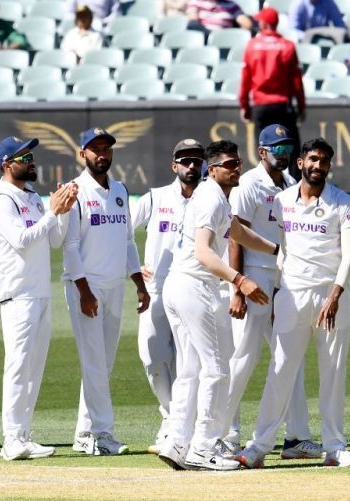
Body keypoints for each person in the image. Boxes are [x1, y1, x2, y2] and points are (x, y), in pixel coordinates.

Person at [236, 138, 350, 469]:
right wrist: (280, 290)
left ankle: (335, 446)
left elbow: (349, 254)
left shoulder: (343, 203)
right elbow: (283, 248)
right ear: (300, 163)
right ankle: (258, 446)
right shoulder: (281, 202)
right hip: (293, 295)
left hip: (330, 296)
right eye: (312, 159)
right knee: (280, 370)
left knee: (332, 372)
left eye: (324, 160)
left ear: (329, 166)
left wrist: (335, 294)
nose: (318, 165)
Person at [158, 140, 278, 471]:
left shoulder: (216, 198)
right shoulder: (212, 198)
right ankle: (204, 448)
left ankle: (177, 443)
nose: (236, 167)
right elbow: (204, 251)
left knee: (191, 370)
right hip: (194, 287)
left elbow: (238, 231)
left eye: (238, 162)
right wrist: (239, 280)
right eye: (228, 164)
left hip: (179, 287)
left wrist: (277, 251)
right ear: (212, 171)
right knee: (217, 369)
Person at [225, 124, 322, 460]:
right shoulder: (248, 184)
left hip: (283, 281)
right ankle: (224, 433)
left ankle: (296, 437)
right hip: (254, 279)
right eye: (277, 149)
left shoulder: (292, 185)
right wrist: (237, 286)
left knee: (288, 358)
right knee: (242, 358)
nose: (283, 154)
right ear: (262, 152)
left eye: (287, 149)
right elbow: (235, 235)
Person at [0, 136, 79, 461]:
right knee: (18, 366)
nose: (30, 160)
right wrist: (52, 213)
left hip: (39, 293)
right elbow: (22, 240)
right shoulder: (0, 201)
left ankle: (24, 435)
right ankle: (11, 440)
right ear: (6, 164)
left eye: (30, 155)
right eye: (23, 156)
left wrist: (62, 211)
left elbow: (54, 240)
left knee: (34, 368)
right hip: (17, 296)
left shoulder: (33, 198)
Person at [64, 127, 150, 456]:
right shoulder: (75, 191)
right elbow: (70, 247)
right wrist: (84, 290)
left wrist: (138, 283)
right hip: (87, 286)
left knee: (103, 365)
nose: (102, 154)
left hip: (115, 286)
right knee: (95, 364)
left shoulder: (120, 190)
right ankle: (102, 434)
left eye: (106, 148)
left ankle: (84, 434)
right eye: (95, 149)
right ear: (82, 154)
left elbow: (127, 240)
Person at [131, 139, 204, 455]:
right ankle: (173, 418)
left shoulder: (210, 198)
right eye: (185, 161)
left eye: (197, 161)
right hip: (157, 289)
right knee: (153, 358)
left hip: (194, 288)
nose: (191, 166)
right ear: (174, 165)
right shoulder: (154, 198)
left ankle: (182, 427)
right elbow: (121, 232)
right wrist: (135, 269)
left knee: (192, 362)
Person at [239, 6, 305, 177]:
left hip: (261, 106)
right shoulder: (287, 46)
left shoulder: (252, 46)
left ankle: (267, 192)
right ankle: (295, 192)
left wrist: (245, 107)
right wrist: (302, 107)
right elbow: (297, 82)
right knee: (291, 149)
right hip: (283, 105)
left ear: (263, 23)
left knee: (265, 151)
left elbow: (245, 81)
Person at [186, 0, 253, 33]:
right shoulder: (195, 2)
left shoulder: (231, 5)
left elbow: (247, 24)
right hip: (204, 34)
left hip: (226, 35)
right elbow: (193, 21)